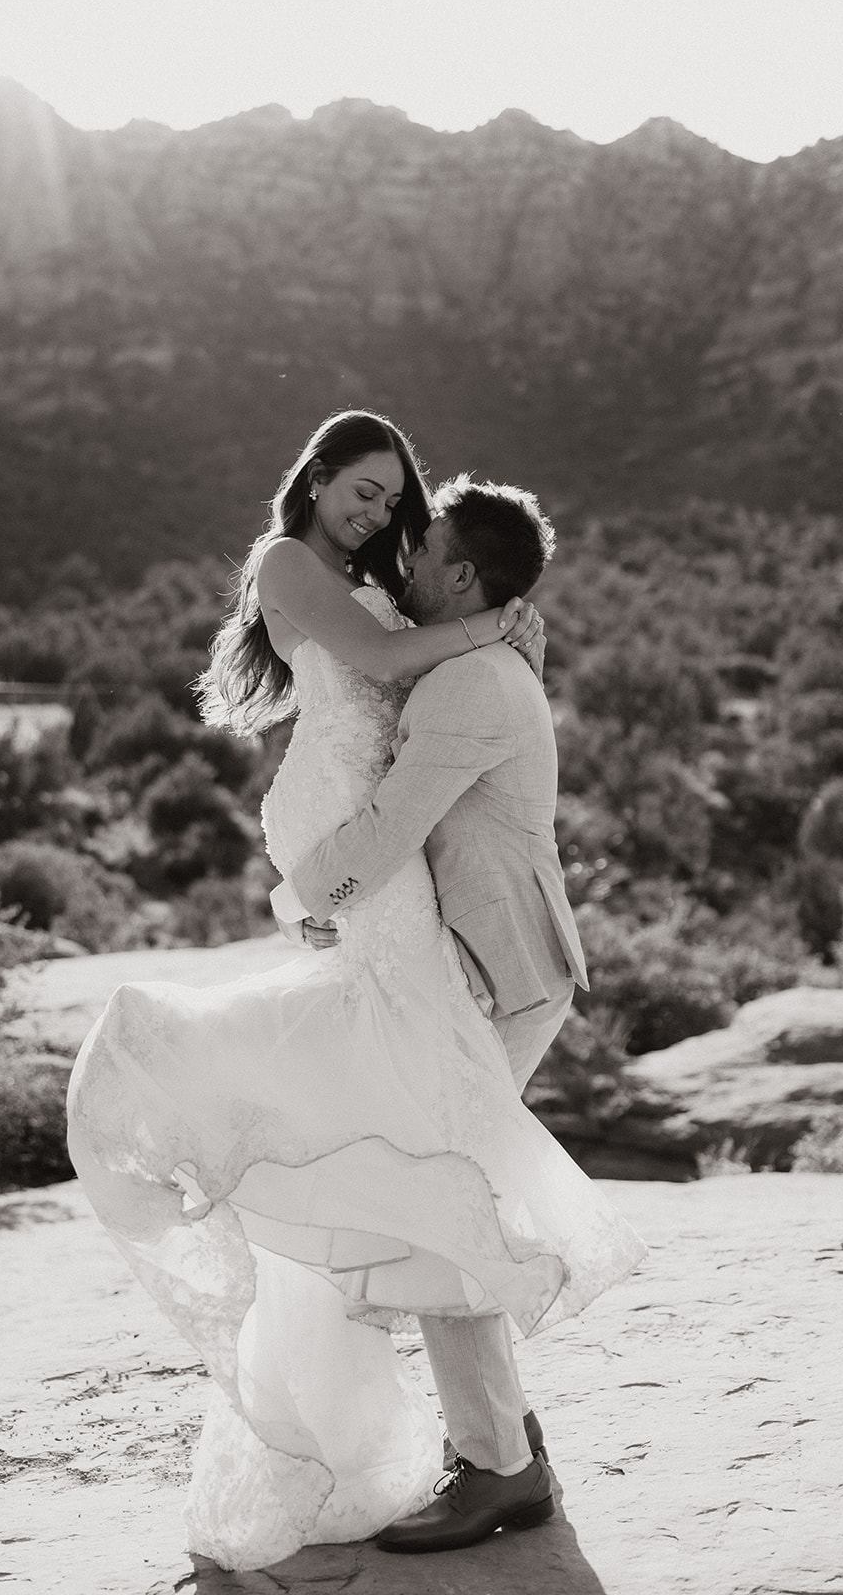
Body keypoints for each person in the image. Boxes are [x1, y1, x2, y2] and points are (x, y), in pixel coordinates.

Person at [66, 410, 645, 1573]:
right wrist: (310, 890)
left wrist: (304, 892)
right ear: (317, 476)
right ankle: (501, 1448)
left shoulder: (470, 670)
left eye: (405, 513)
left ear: (457, 570)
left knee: (429, 1180)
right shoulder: (351, 592)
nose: (390, 526)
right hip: (408, 923)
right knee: (426, 1175)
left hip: (466, 944)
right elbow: (375, 684)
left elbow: (389, 815)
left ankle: (500, 1462)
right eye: (371, 496)